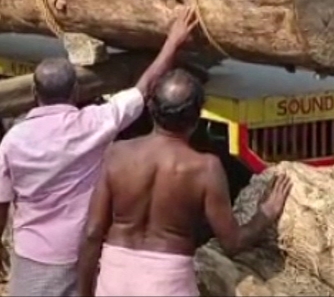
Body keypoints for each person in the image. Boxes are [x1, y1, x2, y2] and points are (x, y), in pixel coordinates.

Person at [0, 7, 200, 296]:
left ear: (34, 94)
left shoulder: (13, 141)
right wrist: (172, 42)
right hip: (79, 252)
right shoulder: (94, 124)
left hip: (32, 255)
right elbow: (144, 88)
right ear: (76, 92)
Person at [77, 69, 291, 297]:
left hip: (116, 278)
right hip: (168, 282)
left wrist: (84, 292)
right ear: (196, 118)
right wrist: (266, 213)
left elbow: (92, 232)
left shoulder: (117, 154)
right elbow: (233, 242)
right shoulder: (205, 169)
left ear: (150, 108)